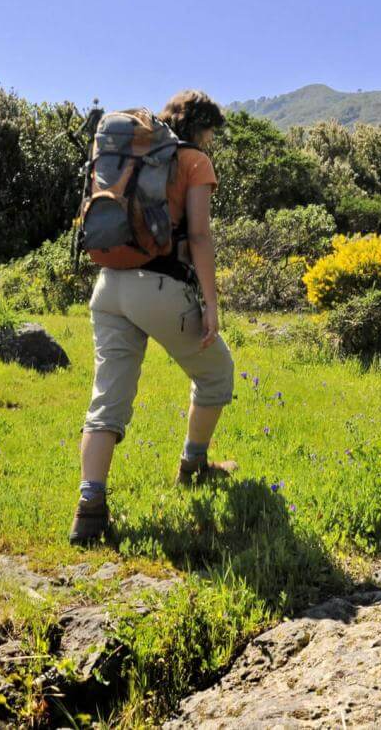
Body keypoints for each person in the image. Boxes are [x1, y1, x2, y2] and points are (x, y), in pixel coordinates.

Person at [69, 90, 236, 546]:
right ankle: (193, 466)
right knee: (217, 373)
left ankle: (90, 510)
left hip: (108, 287)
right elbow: (199, 237)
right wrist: (210, 304)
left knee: (107, 402)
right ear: (200, 127)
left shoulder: (130, 155)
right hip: (158, 286)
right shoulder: (193, 161)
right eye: (210, 133)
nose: (210, 141)